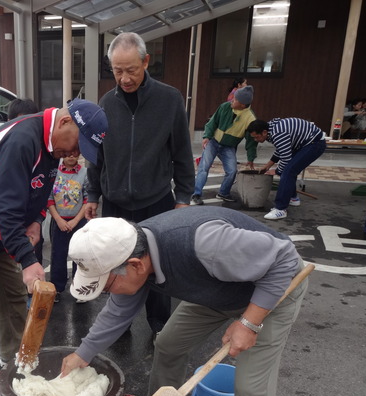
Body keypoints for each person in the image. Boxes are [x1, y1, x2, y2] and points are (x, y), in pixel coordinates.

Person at [60, 208, 307, 396]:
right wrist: (81, 355)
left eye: (107, 285)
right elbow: (119, 310)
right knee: (168, 344)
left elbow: (284, 258)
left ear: (136, 265)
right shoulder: (134, 250)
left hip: (271, 292)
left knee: (251, 390)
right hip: (217, 290)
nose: (107, 294)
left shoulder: (205, 243)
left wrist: (250, 322)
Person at [0, 98, 107, 396]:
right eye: (77, 144)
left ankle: (18, 366)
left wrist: (35, 220)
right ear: (65, 123)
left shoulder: (54, 148)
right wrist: (28, 260)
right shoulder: (23, 139)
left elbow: (42, 191)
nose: (76, 153)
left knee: (15, 297)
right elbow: (2, 207)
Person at [86, 31, 195, 335]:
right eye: (117, 70)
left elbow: (182, 153)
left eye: (131, 69)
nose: (124, 78)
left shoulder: (169, 99)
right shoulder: (106, 103)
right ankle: (119, 326)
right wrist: (93, 194)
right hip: (115, 201)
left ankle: (159, 326)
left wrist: (184, 196)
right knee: (116, 265)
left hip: (156, 199)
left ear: (146, 62)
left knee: (157, 268)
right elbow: (97, 156)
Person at [247, 118, 326, 220]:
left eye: (257, 137)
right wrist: (268, 166)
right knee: (289, 170)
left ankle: (280, 209)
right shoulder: (271, 129)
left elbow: (285, 157)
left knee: (287, 172)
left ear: (264, 132)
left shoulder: (277, 133)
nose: (255, 140)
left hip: (314, 143)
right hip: (305, 142)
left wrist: (277, 171)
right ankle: (293, 198)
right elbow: (281, 149)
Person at [191, 85, 257, 205]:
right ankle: (196, 193)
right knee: (203, 167)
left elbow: (251, 140)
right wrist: (206, 136)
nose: (232, 100)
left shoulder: (250, 118)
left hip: (228, 147)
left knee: (232, 171)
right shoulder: (225, 106)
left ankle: (224, 192)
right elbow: (213, 122)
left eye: (235, 99)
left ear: (243, 104)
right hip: (214, 142)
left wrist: (251, 158)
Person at [7, 98, 45, 267]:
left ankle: (32, 293)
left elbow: (43, 190)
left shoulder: (40, 150)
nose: (27, 127)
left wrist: (37, 220)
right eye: (21, 121)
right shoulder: (6, 149)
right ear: (9, 122)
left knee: (34, 258)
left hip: (31, 221)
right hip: (9, 223)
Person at [47, 154, 88, 303]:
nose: (71, 156)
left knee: (80, 256)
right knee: (58, 255)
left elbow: (87, 199)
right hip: (59, 222)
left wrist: (76, 220)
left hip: (78, 221)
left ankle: (80, 288)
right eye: (67, 153)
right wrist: (58, 219)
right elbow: (49, 198)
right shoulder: (54, 172)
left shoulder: (84, 173)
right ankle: (57, 288)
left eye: (75, 152)